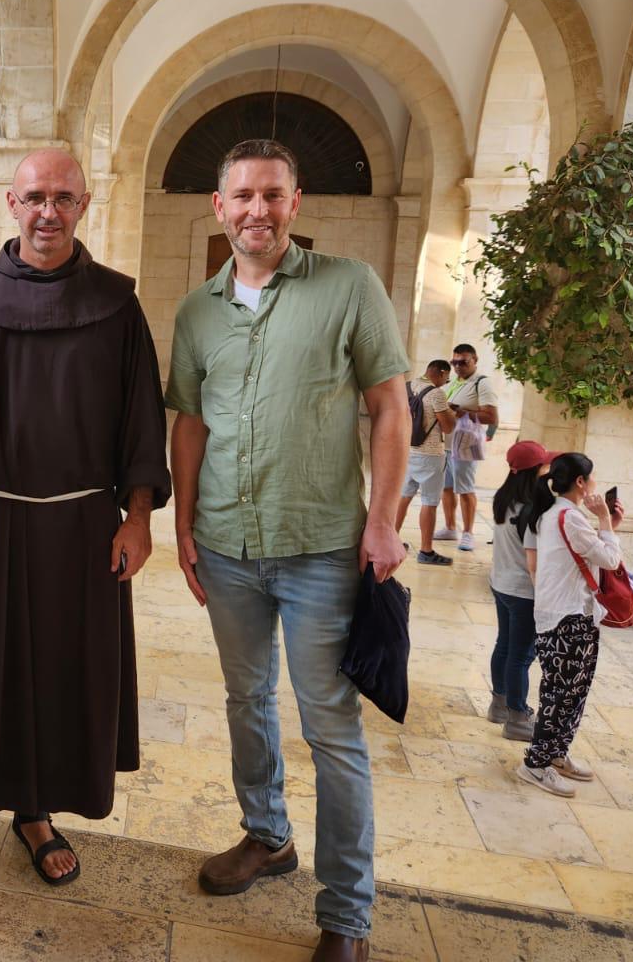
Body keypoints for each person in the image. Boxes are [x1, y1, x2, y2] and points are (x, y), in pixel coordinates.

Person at [0, 148, 170, 888]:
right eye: (35, 197)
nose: (49, 212)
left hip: (81, 527)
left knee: (57, 668)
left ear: (86, 206)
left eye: (64, 198)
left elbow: (143, 421)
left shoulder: (116, 306)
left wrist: (137, 518)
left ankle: (37, 811)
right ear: (11, 204)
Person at [167, 139, 409, 962]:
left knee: (329, 727)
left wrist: (383, 520)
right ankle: (266, 836)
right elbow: (190, 423)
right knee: (246, 699)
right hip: (227, 547)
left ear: (296, 203)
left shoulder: (349, 286)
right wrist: (183, 522)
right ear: (219, 206)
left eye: (273, 195)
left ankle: (346, 913)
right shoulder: (198, 310)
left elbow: (389, 409)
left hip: (320, 549)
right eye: (242, 196)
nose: (257, 211)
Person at [515, 452, 622, 797]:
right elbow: (610, 558)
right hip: (567, 618)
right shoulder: (568, 517)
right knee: (560, 695)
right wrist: (604, 517)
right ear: (580, 482)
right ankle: (535, 764)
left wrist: (606, 527)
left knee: (574, 691)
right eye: (590, 478)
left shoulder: (558, 515)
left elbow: (590, 555)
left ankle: (557, 754)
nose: (593, 484)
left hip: (572, 615)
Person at [486, 440, 557, 742]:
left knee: (504, 646)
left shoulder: (503, 499)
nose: (548, 469)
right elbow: (537, 561)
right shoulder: (533, 511)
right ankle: (517, 717)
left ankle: (499, 705)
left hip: (501, 583)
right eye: (544, 465)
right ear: (535, 471)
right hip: (522, 591)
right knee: (520, 656)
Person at [435, 345, 498, 551]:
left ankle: (468, 533)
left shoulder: (482, 383)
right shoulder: (454, 381)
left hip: (465, 444)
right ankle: (450, 527)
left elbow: (491, 417)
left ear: (475, 360)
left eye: (464, 362)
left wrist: (463, 411)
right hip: (445, 443)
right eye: (455, 362)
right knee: (446, 487)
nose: (458, 366)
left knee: (465, 489)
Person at [395, 360, 456, 566]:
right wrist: (450, 412)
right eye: (446, 378)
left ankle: (392, 539)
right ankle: (426, 551)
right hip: (430, 455)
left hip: (407, 451)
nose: (446, 382)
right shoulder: (437, 394)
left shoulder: (407, 386)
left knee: (404, 496)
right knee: (429, 502)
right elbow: (448, 427)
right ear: (440, 373)